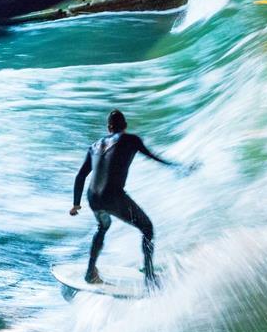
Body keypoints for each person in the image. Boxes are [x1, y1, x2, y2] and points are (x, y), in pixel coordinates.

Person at [70, 110, 185, 288]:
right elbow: (154, 157)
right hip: (113, 197)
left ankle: (90, 272)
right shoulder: (131, 140)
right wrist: (176, 167)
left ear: (109, 128)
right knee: (147, 228)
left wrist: (76, 204)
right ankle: (149, 276)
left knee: (102, 226)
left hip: (93, 198)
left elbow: (80, 176)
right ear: (125, 126)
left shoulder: (94, 146)